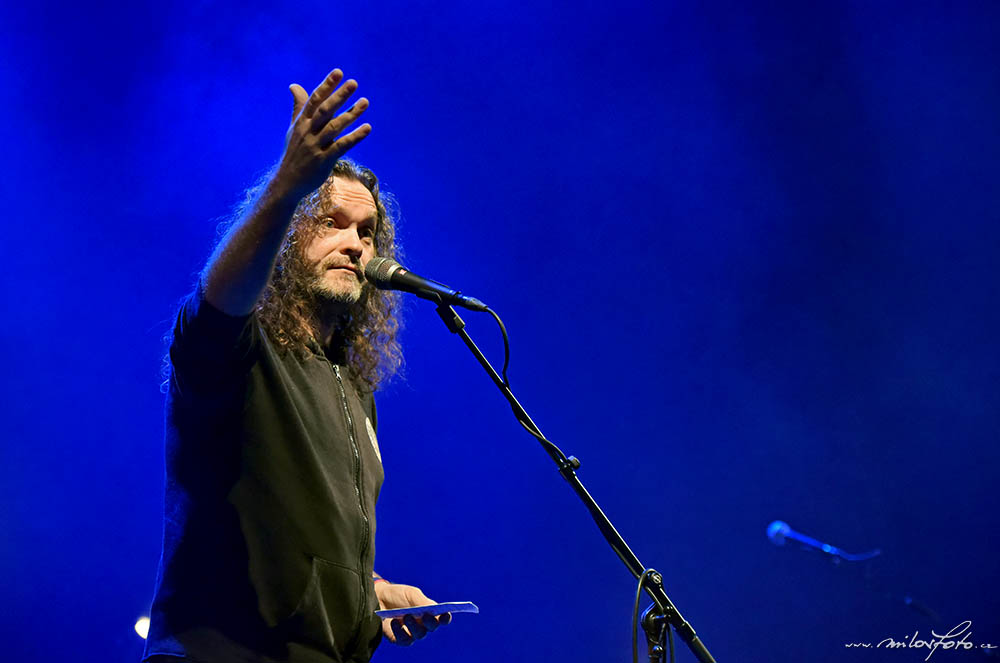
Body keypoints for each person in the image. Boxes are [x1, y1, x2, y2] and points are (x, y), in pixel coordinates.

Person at [144, 68, 450, 663]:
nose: (355, 243)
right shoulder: (243, 349)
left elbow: (297, 541)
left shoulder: (353, 388)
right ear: (287, 239)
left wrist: (370, 591)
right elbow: (215, 306)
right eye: (330, 222)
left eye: (367, 233)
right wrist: (287, 187)